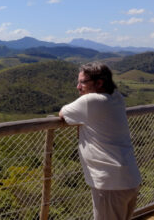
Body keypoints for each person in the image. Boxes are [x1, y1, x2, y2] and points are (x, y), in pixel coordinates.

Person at [59, 62, 141, 220]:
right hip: (130, 179)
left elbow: (63, 113)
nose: (78, 87)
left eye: (82, 82)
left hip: (110, 183)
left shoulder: (91, 101)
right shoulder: (116, 97)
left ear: (99, 83)